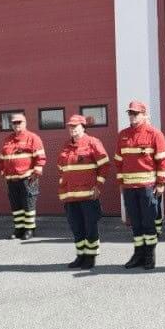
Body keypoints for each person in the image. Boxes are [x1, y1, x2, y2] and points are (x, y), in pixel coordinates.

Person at [114, 100, 165, 270]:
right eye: (130, 113)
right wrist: (121, 183)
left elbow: (164, 161)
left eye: (136, 113)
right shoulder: (123, 135)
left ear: (145, 115)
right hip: (130, 188)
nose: (132, 116)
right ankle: (138, 254)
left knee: (148, 222)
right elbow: (118, 161)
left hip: (147, 187)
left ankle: (149, 256)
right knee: (135, 223)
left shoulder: (154, 134)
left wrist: (161, 184)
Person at [57, 115, 110, 270]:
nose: (72, 129)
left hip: (88, 194)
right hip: (70, 195)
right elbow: (61, 169)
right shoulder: (66, 145)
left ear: (83, 127)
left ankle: (90, 257)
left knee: (90, 226)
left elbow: (104, 165)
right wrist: (62, 189)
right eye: (70, 126)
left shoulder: (92, 142)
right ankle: (80, 255)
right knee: (76, 227)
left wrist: (98, 186)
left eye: (75, 126)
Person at [0, 113, 46, 239]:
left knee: (28, 204)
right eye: (14, 123)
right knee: (16, 205)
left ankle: (29, 229)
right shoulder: (8, 139)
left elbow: (40, 157)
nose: (17, 125)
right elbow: (2, 158)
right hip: (11, 179)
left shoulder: (33, 138)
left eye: (19, 122)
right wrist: (3, 171)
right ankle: (19, 229)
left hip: (28, 178)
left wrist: (36, 173)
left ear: (25, 123)